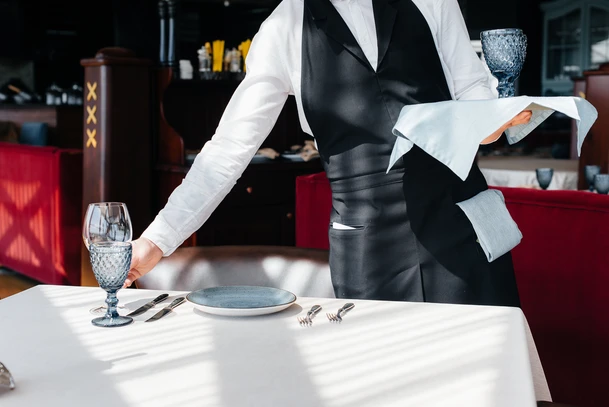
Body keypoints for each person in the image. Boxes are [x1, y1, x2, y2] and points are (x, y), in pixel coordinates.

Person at [126, 0, 532, 306]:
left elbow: (472, 96)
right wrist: (158, 239)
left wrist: (496, 119)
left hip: (459, 228)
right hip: (368, 247)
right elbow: (228, 149)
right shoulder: (284, 26)